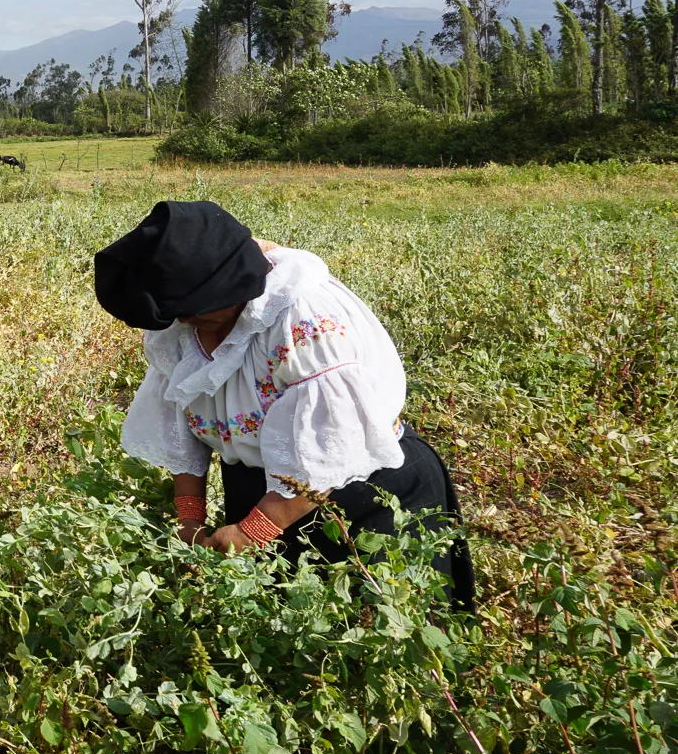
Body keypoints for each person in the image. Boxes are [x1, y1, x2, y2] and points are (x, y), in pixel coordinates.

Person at [96, 200, 475, 611]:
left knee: (390, 631)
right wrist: (190, 520)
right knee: (284, 634)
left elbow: (329, 450)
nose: (183, 321)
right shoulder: (184, 330)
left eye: (191, 310)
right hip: (262, 494)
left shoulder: (304, 322)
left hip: (368, 494)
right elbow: (181, 426)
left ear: (232, 286)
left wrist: (252, 532)